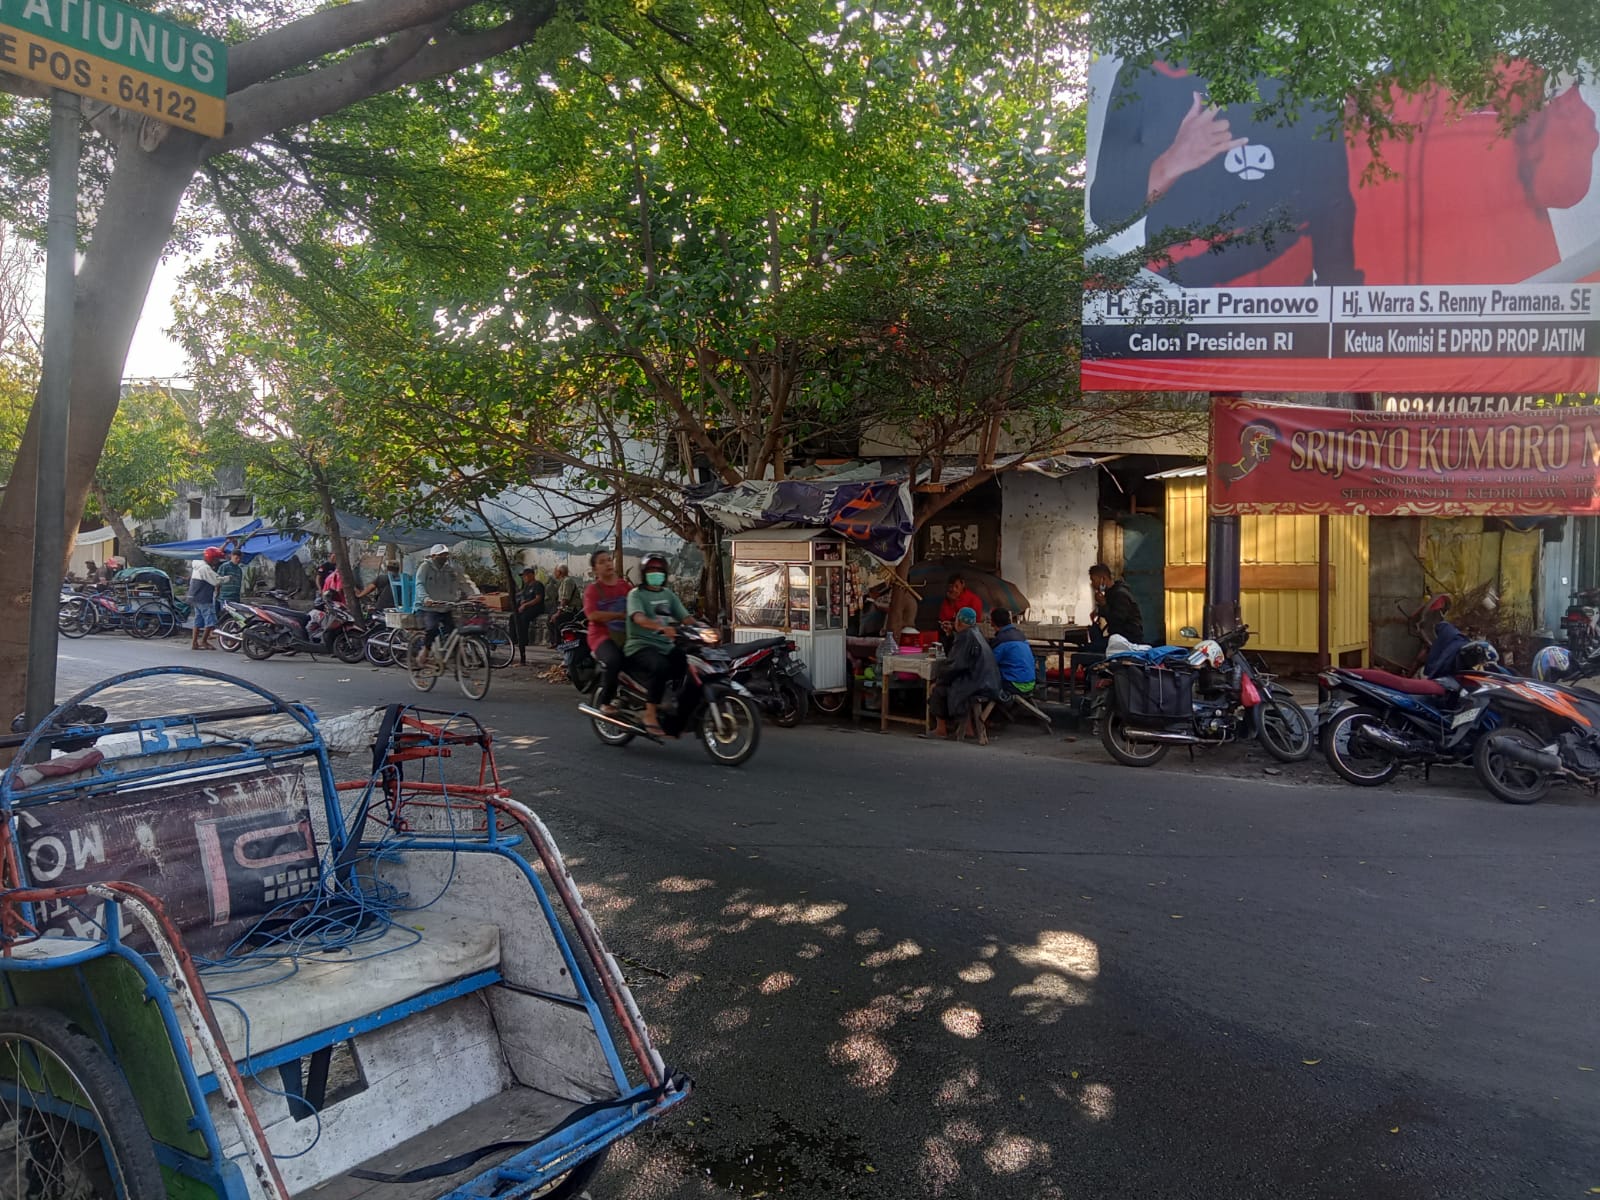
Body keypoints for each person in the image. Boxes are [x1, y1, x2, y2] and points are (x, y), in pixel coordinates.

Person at [624, 554, 690, 736]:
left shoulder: (668, 595)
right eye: (651, 570)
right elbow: (639, 618)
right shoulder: (636, 595)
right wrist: (661, 627)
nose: (656, 573)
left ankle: (671, 700)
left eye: (659, 570)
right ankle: (650, 714)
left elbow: (685, 617)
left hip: (665, 645)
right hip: (640, 645)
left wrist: (703, 628)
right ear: (644, 573)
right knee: (659, 666)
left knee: (684, 660)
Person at [926, 607, 1001, 740]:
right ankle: (968, 729)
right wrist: (951, 634)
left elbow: (955, 666)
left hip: (977, 683)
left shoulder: (965, 637)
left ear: (959, 622)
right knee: (950, 684)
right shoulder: (976, 633)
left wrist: (939, 681)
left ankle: (940, 729)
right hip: (988, 681)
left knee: (938, 690)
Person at [584, 549, 632, 712]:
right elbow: (592, 615)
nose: (607, 564)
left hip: (626, 634)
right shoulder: (593, 590)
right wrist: (619, 615)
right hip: (600, 636)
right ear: (595, 569)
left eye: (609, 560)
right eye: (602, 562)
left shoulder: (624, 586)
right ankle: (605, 702)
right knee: (613, 660)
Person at [414, 543, 478, 665]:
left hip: (446, 606)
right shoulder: (425, 567)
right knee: (432, 629)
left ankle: (458, 663)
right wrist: (426, 598)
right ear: (433, 556)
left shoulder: (451, 569)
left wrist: (474, 594)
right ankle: (425, 651)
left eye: (445, 555)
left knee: (454, 632)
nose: (444, 557)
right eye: (441, 555)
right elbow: (419, 585)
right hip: (429, 607)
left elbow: (464, 582)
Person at [1086, 563, 1145, 649]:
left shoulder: (1120, 594)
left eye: (1093, 580)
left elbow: (1117, 620)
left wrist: (1103, 604)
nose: (1092, 584)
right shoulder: (1110, 593)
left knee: (1090, 649)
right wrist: (1098, 610)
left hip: (1128, 638)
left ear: (1103, 579)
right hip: (1117, 637)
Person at [988, 608, 1037, 696]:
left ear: (992, 623)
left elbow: (990, 663)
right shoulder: (1021, 635)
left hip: (1015, 685)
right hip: (1031, 683)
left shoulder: (1001, 640)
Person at [188, 547, 224, 651]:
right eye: (216, 559)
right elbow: (216, 580)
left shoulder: (198, 566)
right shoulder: (205, 568)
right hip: (204, 597)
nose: (217, 561)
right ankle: (203, 641)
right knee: (211, 620)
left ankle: (194, 642)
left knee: (198, 620)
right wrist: (227, 578)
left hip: (196, 597)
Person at [938, 574, 984, 647]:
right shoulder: (948, 599)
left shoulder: (973, 599)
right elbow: (944, 618)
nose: (953, 589)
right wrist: (951, 602)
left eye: (956, 586)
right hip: (951, 632)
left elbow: (974, 621)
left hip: (968, 634)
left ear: (963, 585)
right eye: (951, 587)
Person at [516, 567, 547, 666]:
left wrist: (526, 605)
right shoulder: (526, 586)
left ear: (531, 575)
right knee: (514, 617)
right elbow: (523, 597)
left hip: (536, 607)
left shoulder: (538, 585)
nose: (524, 578)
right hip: (527, 606)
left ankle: (524, 640)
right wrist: (522, 602)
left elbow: (538, 599)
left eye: (525, 576)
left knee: (524, 618)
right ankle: (515, 638)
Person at [548, 564, 582, 648]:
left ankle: (559, 643)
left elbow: (565, 599)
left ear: (560, 572)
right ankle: (554, 642)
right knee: (549, 619)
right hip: (566, 609)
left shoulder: (567, 581)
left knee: (557, 619)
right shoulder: (563, 581)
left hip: (572, 610)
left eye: (555, 571)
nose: (554, 573)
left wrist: (558, 613)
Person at [216, 547, 245, 612]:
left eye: (240, 558)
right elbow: (217, 581)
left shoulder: (239, 570)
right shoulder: (224, 566)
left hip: (235, 599)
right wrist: (217, 594)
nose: (238, 560)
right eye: (236, 558)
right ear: (231, 556)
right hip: (225, 598)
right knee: (225, 617)